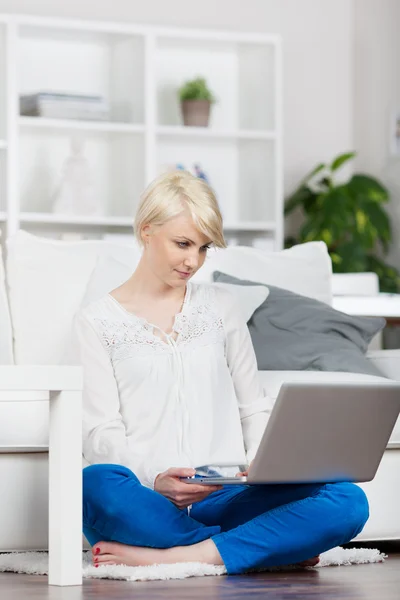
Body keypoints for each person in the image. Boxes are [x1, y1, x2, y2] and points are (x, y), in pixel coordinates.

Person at [73, 170, 369, 574]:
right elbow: (100, 432)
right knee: (96, 485)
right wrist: (156, 478)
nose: (192, 261)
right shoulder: (96, 321)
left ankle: (185, 556)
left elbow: (253, 409)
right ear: (146, 230)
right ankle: (264, 547)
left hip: (224, 497)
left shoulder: (221, 307)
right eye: (182, 244)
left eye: (203, 247)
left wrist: (265, 467)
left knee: (347, 500)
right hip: (145, 500)